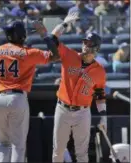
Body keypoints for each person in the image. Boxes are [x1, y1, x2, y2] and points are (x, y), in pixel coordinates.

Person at [0, 20, 59, 162]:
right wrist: (45, 35)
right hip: (16, 97)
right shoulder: (27, 53)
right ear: (22, 35)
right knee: (18, 144)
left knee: (3, 143)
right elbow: (55, 55)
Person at [46, 12, 108, 162]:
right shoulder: (69, 55)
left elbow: (99, 94)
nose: (86, 46)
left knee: (82, 153)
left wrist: (103, 117)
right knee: (58, 150)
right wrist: (64, 24)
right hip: (62, 109)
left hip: (83, 113)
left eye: (89, 44)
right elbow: (51, 40)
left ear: (96, 49)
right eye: (85, 42)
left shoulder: (99, 71)